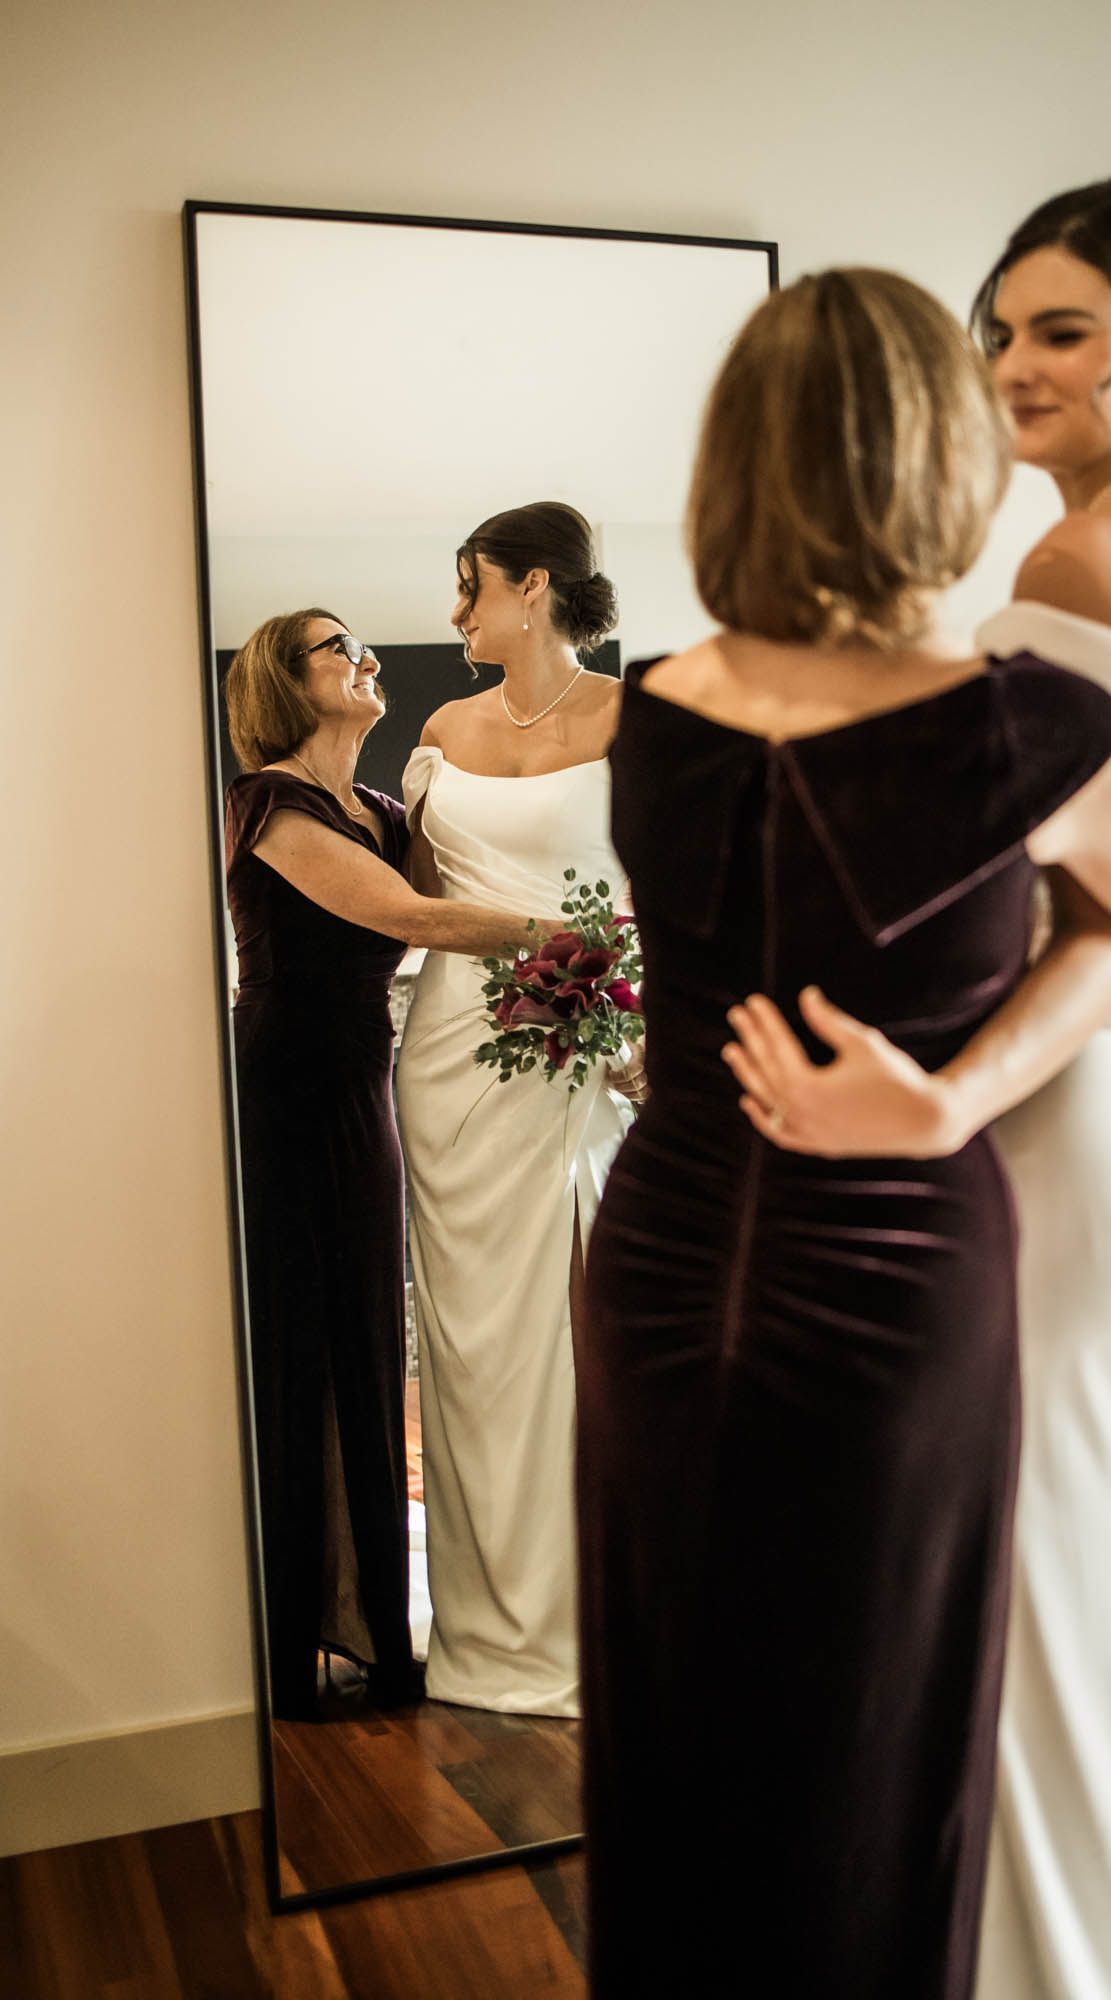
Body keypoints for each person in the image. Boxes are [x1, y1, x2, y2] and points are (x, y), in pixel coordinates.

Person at [574, 265, 1111, 2000]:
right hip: (887, 1271)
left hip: (662, 1255)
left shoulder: (657, 708)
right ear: (935, 462)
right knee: (874, 1749)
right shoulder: (1016, 727)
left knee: (677, 1719)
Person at [224, 608, 544, 1723]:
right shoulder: (267, 801)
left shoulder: (379, 807)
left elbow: (450, 887)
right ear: (283, 680)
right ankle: (298, 1636)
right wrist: (569, 937)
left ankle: (371, 1631)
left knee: (366, 1334)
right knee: (301, 1339)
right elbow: (410, 915)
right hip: (284, 1088)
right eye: (337, 648)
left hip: (364, 1080)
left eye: (361, 647)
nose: (364, 660)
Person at [395, 501, 638, 1718]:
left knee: (587, 1328)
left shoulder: (635, 722)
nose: (457, 613)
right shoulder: (441, 731)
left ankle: (595, 1617)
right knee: (474, 1345)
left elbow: (678, 894)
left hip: (592, 1050)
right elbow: (421, 901)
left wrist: (641, 1020)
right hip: (454, 1053)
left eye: (471, 587)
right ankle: (484, 1627)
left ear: (534, 587)